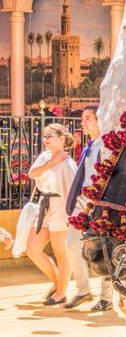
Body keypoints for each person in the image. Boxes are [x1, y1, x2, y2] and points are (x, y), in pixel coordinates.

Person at [23, 124, 79, 307]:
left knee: (61, 253)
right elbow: (32, 173)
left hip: (60, 209)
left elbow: (73, 191)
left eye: (50, 136)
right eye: (45, 136)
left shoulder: (69, 163)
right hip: (44, 207)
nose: (45, 139)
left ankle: (61, 292)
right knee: (32, 249)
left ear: (62, 138)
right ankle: (57, 283)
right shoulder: (46, 156)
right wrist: (50, 163)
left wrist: (71, 216)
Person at [66, 107, 114, 311]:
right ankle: (84, 290)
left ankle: (106, 297)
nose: (83, 123)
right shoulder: (91, 145)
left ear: (99, 120)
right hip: (83, 202)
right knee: (71, 245)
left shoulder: (106, 145)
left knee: (104, 247)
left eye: (88, 119)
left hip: (98, 202)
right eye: (82, 119)